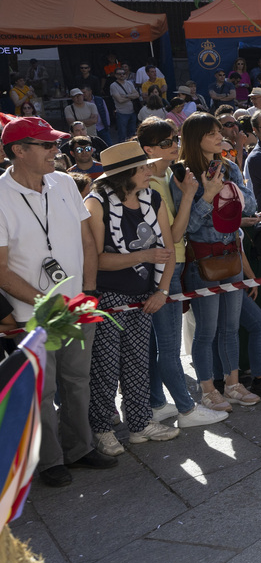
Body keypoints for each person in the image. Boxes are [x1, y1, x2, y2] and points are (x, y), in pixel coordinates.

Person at [0, 116, 105, 487]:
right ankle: (49, 461)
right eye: (46, 145)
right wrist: (46, 302)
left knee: (78, 380)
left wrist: (88, 292)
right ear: (19, 151)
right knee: (40, 392)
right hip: (32, 314)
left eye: (54, 144)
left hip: (77, 304)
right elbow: (0, 269)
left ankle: (81, 447)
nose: (55, 150)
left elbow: (86, 241)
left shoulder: (64, 182)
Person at [84, 142, 180, 455]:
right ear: (124, 174)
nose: (149, 171)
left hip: (146, 294)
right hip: (108, 297)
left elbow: (168, 250)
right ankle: (101, 429)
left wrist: (162, 291)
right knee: (106, 367)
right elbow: (96, 260)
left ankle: (139, 425)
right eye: (142, 167)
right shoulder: (96, 203)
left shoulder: (153, 197)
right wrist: (145, 255)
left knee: (139, 363)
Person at [136, 119, 228, 428]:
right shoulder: (150, 184)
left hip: (165, 267)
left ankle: (157, 403)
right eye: (165, 143)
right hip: (163, 270)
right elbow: (177, 234)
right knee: (169, 345)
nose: (174, 145)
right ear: (147, 149)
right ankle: (187, 409)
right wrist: (194, 194)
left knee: (154, 345)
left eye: (174, 139)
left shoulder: (166, 176)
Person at [172, 112, 260, 412]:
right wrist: (207, 195)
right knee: (206, 329)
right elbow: (189, 227)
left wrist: (228, 188)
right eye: (212, 133)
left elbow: (251, 203)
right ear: (197, 138)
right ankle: (207, 388)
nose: (219, 136)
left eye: (218, 131)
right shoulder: (184, 174)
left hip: (231, 253)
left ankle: (233, 382)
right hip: (202, 258)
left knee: (230, 327)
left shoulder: (230, 166)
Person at [110, 67, 140, 141]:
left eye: (123, 73)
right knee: (122, 135)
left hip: (133, 112)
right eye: (119, 74)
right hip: (121, 113)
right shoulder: (113, 86)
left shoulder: (129, 83)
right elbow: (119, 100)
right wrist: (131, 96)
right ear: (115, 75)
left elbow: (137, 95)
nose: (122, 75)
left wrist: (126, 96)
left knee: (132, 134)